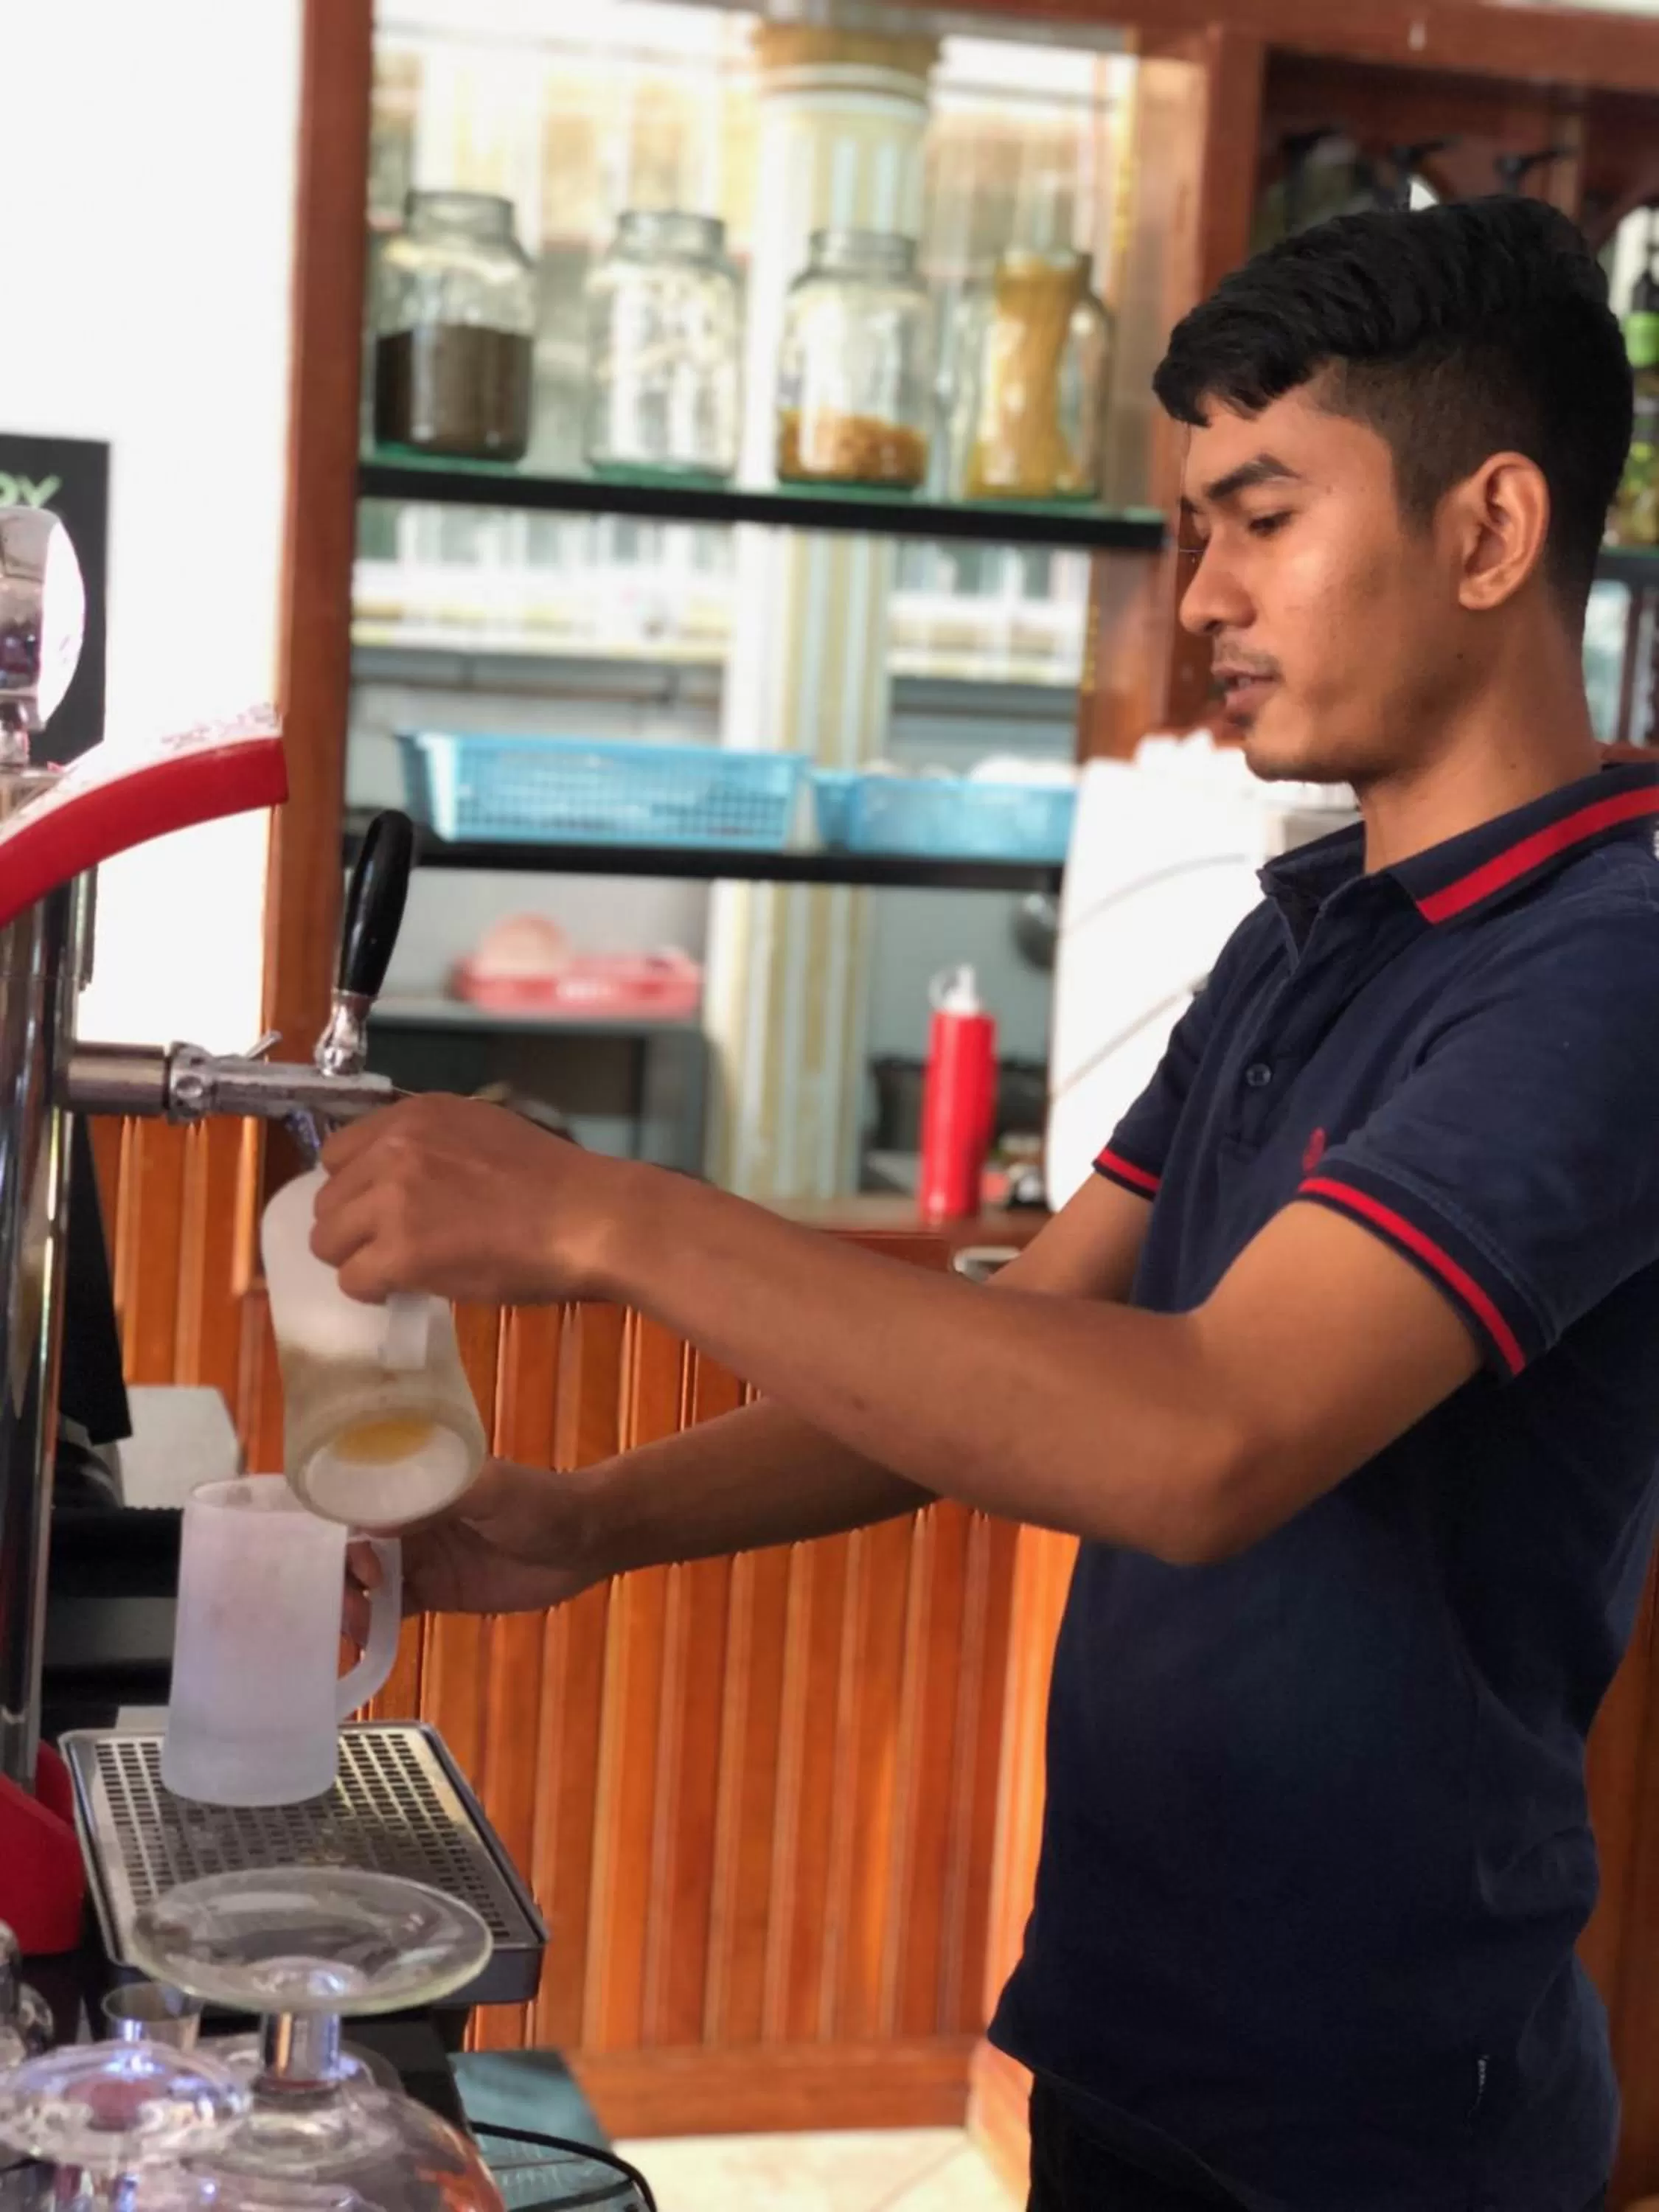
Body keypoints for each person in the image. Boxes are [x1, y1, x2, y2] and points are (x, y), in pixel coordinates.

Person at [321, 196, 1652, 2212]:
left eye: (1264, 513)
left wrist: (609, 1217)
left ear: (1487, 531)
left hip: (1377, 2115)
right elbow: (1040, 1343)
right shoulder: (1305, 933)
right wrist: (590, 1524)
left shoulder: (1608, 962)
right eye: (1193, 523)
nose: (1197, 590)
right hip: (1131, 2025)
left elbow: (1201, 1436)